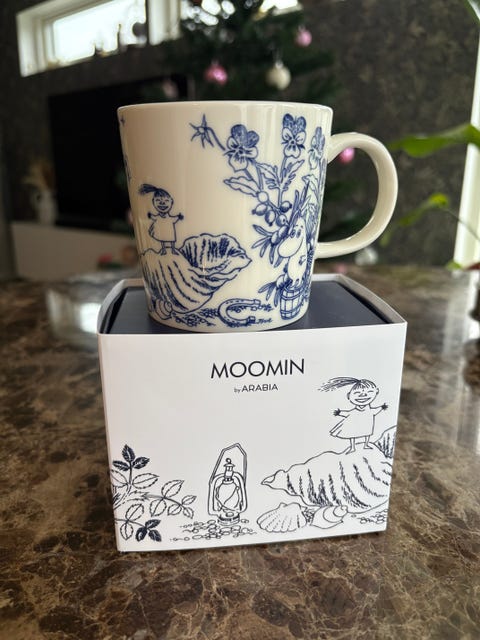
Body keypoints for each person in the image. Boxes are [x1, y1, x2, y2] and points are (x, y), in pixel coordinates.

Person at [320, 377, 388, 454]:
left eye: (369, 392)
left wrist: (381, 407)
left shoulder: (369, 410)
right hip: (356, 424)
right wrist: (340, 413)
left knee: (367, 433)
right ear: (349, 396)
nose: (363, 395)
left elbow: (375, 411)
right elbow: (348, 413)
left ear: (376, 391)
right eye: (357, 393)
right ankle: (352, 447)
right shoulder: (354, 411)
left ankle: (366, 444)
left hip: (367, 423)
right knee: (352, 434)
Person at [139, 184, 184, 255]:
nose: (162, 203)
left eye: (166, 200)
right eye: (158, 200)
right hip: (162, 229)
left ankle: (173, 249)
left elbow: (173, 219)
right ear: (153, 202)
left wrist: (178, 217)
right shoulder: (158, 217)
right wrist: (150, 216)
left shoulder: (169, 218)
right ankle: (163, 250)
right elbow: (154, 217)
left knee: (172, 239)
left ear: (171, 201)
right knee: (162, 239)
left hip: (169, 229)